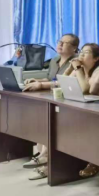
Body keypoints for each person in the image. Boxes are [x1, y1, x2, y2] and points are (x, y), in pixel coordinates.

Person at [22, 33, 80, 180]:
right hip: (51, 97)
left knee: (50, 124)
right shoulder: (55, 60)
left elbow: (65, 82)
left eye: (65, 43)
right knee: (40, 123)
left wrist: (42, 85)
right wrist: (38, 80)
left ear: (74, 48)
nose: (60, 44)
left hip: (67, 100)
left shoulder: (76, 62)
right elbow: (51, 78)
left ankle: (46, 161)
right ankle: (42, 157)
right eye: (60, 41)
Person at [62, 43, 99, 179]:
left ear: (96, 58)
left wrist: (77, 69)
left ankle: (96, 161)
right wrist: (70, 68)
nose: (81, 54)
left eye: (86, 52)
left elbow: (86, 90)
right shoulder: (79, 68)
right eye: (81, 51)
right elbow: (62, 81)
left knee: (87, 127)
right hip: (89, 107)